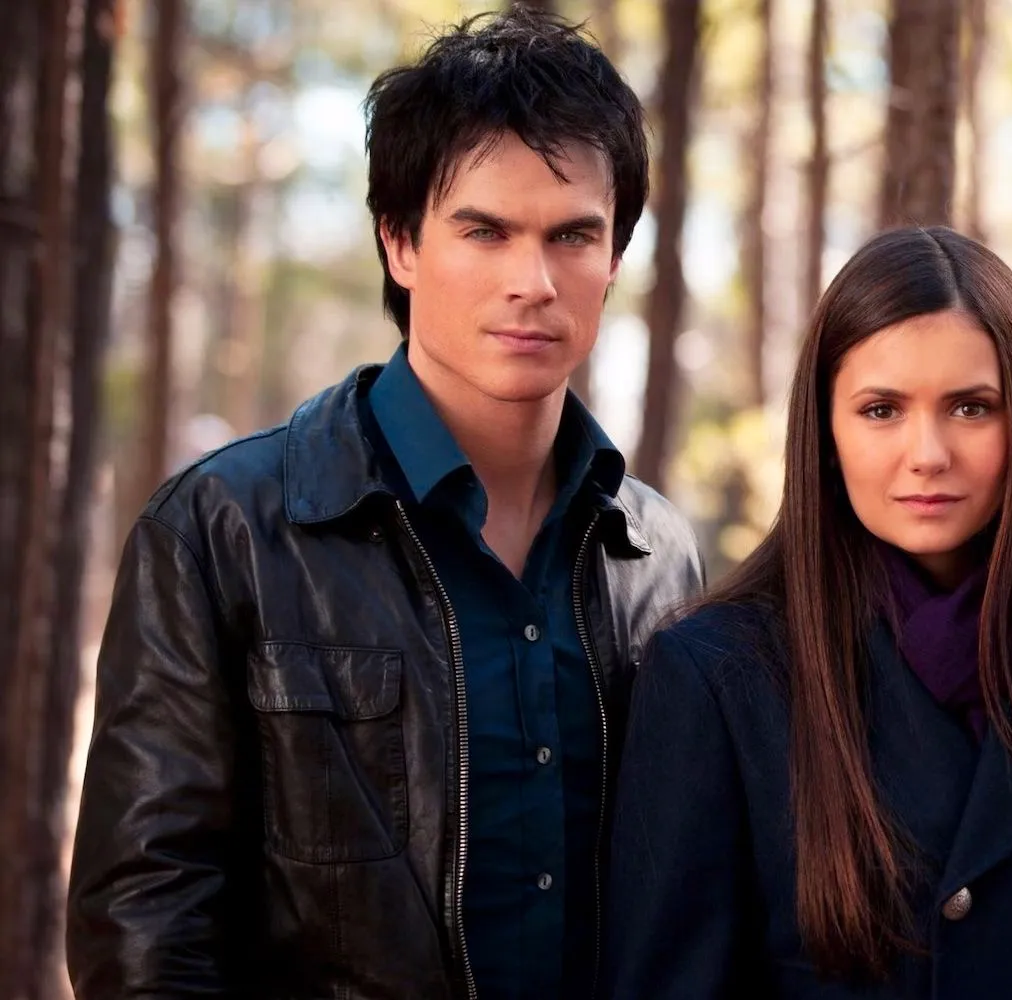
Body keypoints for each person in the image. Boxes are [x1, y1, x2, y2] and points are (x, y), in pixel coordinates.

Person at [66, 10, 702, 999]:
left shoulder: (656, 554)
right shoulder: (225, 528)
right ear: (399, 243)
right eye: (483, 230)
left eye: (572, 234)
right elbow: (146, 919)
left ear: (615, 253)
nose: (531, 281)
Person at [603, 226, 1012, 1000]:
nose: (928, 453)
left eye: (971, 408)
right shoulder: (719, 678)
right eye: (881, 410)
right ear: (826, 432)